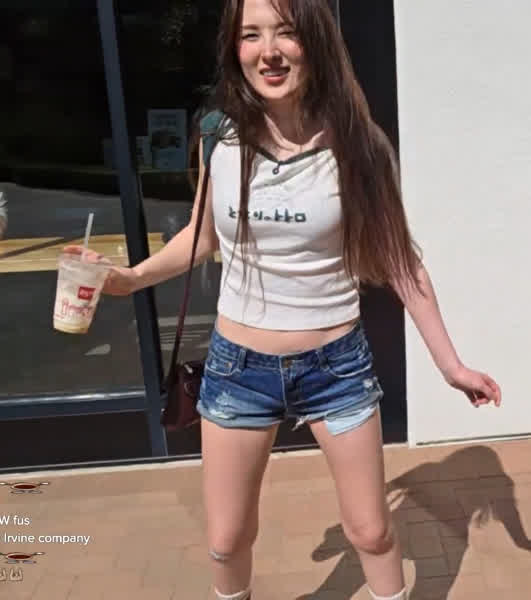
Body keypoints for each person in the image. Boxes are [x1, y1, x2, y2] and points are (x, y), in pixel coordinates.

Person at [67, 1, 501, 598]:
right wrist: (128, 278)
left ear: (314, 41)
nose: (267, 51)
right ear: (235, 49)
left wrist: (451, 366)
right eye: (251, 35)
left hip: (336, 368)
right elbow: (202, 236)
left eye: (285, 32)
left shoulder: (359, 146)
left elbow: (401, 260)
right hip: (238, 369)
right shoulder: (219, 135)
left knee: (373, 533)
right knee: (226, 540)